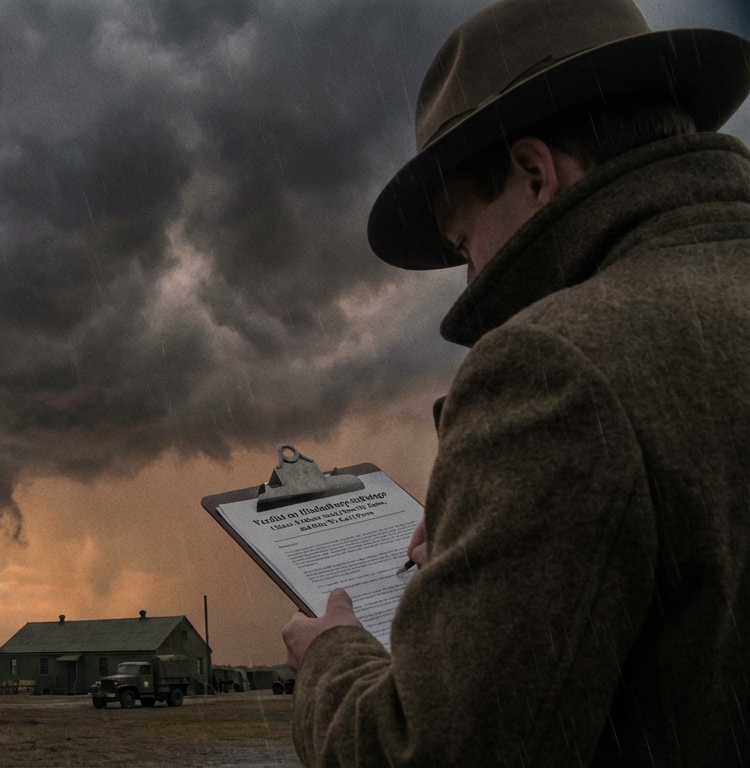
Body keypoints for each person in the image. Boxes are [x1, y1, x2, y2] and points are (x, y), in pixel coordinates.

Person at [281, 0, 750, 764]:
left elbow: (430, 752)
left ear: (534, 175)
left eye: (465, 240)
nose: (471, 274)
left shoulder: (555, 371)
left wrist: (332, 658)